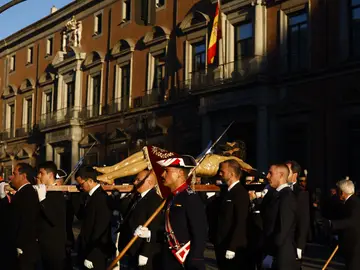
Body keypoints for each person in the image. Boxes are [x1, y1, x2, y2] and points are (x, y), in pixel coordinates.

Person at [135, 155, 208, 270]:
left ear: (180, 173)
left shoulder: (190, 198)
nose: (162, 174)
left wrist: (195, 259)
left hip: (184, 260)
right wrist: (150, 234)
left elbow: (200, 232)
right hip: (168, 258)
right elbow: (168, 230)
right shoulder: (171, 198)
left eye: (166, 171)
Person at [117, 169, 163, 269]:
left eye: (138, 180)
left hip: (141, 250)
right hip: (131, 248)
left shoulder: (154, 200)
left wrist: (145, 253)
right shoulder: (139, 197)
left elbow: (153, 228)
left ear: (149, 182)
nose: (135, 182)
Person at [0, 162, 40, 270]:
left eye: (14, 174)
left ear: (23, 176)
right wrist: (3, 198)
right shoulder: (21, 193)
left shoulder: (28, 193)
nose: (11, 177)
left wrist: (21, 245)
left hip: (23, 249)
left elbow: (27, 221)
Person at [75, 166, 115, 270]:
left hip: (97, 251)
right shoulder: (90, 196)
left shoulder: (101, 198)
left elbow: (101, 229)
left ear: (90, 181)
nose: (80, 187)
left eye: (81, 184)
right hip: (88, 248)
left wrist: (92, 255)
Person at [213, 159, 250, 270]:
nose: (219, 173)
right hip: (222, 243)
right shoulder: (227, 192)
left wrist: (233, 247)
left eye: (222, 171)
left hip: (232, 246)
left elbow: (241, 221)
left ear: (232, 174)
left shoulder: (240, 193)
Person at [263, 163, 297, 270]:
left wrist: (271, 253)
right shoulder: (275, 194)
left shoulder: (286, 196)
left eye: (270, 173)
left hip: (281, 254)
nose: (267, 176)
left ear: (281, 175)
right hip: (274, 251)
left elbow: (282, 228)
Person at [35, 161, 67, 270]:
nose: (39, 176)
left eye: (41, 173)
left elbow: (54, 218)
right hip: (42, 246)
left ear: (50, 175)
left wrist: (43, 201)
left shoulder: (58, 194)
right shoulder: (44, 192)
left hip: (54, 248)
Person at [329, 179, 360, 270]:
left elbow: (352, 221)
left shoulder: (355, 203)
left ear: (342, 192)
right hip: (349, 243)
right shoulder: (348, 202)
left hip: (355, 244)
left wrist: (333, 224)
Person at [286, 160, 310, 267]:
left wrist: (300, 246)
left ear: (294, 174)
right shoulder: (275, 190)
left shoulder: (301, 193)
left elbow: (303, 220)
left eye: (287, 171)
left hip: (293, 241)